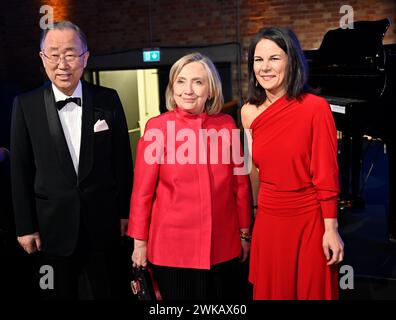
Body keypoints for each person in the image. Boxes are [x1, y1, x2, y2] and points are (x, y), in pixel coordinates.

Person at [10, 21, 133, 299]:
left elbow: (122, 162)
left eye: (70, 53)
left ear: (85, 57)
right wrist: (25, 226)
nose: (62, 63)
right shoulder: (25, 105)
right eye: (53, 54)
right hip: (50, 230)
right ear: (42, 58)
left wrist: (127, 213)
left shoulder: (108, 99)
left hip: (103, 225)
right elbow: (20, 171)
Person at [127, 52, 252, 300]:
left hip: (223, 247)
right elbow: (142, 192)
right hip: (172, 251)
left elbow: (240, 185)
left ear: (211, 89)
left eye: (198, 82)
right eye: (181, 81)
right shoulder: (157, 128)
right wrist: (139, 242)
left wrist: (245, 233)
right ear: (172, 88)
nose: (188, 90)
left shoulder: (226, 125)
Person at [241, 27, 344, 300]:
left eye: (274, 58)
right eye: (258, 60)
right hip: (269, 221)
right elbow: (253, 170)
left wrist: (331, 229)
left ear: (292, 60)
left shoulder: (316, 108)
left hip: (309, 220)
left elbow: (326, 173)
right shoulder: (248, 112)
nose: (265, 68)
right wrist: (250, 218)